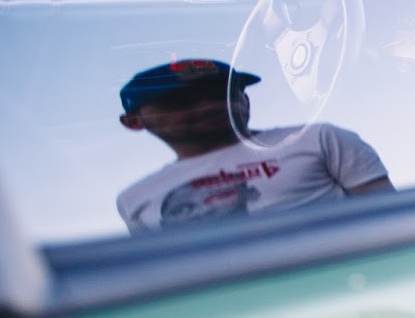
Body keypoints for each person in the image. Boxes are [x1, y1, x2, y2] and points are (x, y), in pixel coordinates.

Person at [116, 58, 392, 232]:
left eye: (223, 94)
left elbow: (388, 218)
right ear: (134, 122)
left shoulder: (320, 139)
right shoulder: (134, 199)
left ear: (245, 100)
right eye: (180, 102)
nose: (209, 106)